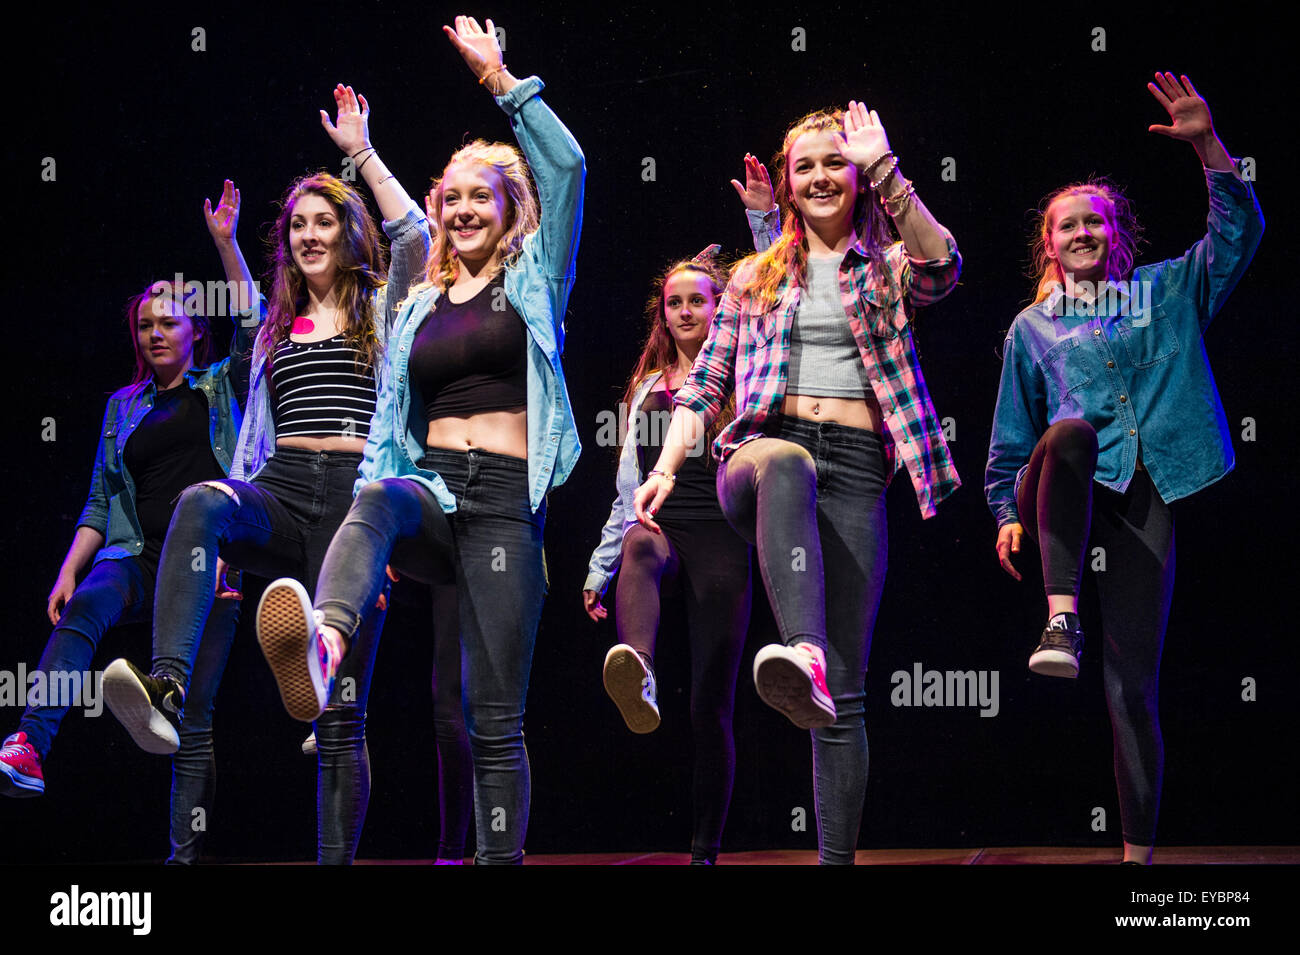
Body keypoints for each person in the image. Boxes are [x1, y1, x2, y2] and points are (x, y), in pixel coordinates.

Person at [253, 15, 585, 865]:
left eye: (482, 195)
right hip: (433, 496)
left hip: (507, 507)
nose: (464, 208)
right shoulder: (414, 308)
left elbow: (568, 165)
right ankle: (325, 642)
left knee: (490, 718)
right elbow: (386, 434)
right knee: (376, 493)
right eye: (452, 197)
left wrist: (500, 80)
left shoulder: (537, 277)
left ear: (513, 209)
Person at [103, 87, 432, 864]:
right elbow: (248, 310)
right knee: (201, 502)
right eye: (298, 226)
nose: (311, 234)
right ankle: (167, 690)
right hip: (280, 492)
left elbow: (414, 232)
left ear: (348, 230)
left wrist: (359, 152)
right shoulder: (276, 326)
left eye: (325, 220)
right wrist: (225, 244)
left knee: (340, 715)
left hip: (355, 508)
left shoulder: (387, 305)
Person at [635, 102, 961, 864]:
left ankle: (835, 858)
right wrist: (662, 468)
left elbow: (943, 268)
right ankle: (802, 646)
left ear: (856, 178)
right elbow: (703, 385)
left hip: (854, 467)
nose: (818, 177)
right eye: (804, 166)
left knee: (842, 699)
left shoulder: (883, 268)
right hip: (759, 455)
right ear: (786, 184)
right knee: (787, 459)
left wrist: (888, 170)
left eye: (833, 164)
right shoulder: (752, 277)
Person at [985, 73, 1263, 865]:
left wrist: (1208, 144)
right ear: (1049, 243)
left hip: (1144, 493)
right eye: (1064, 225)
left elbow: (1239, 234)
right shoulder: (1032, 329)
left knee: (1132, 688)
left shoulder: (1167, 290)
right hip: (1060, 493)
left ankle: (1137, 861)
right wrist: (1007, 510)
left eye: (1093, 221)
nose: (1079, 232)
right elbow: (1011, 439)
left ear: (1114, 234)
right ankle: (1061, 612)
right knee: (1069, 431)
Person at [0, 248, 256, 866]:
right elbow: (98, 500)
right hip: (137, 555)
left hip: (207, 562)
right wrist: (68, 570)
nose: (155, 333)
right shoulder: (122, 406)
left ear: (196, 329)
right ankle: (29, 745)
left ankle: (183, 859)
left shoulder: (224, 382)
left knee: (192, 717)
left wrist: (226, 245)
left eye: (168, 322)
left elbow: (253, 321)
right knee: (82, 609)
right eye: (145, 325)